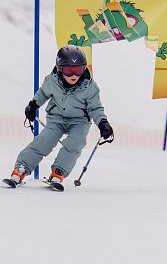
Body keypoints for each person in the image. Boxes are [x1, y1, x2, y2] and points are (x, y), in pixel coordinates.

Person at [9, 45, 114, 186]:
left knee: (75, 143)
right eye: (69, 71)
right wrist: (33, 105)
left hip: (79, 121)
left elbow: (95, 107)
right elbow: (43, 94)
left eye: (78, 70)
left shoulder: (90, 87)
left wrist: (103, 123)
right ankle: (21, 169)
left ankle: (58, 171)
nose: (74, 76)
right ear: (60, 68)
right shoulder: (51, 81)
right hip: (56, 118)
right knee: (44, 142)